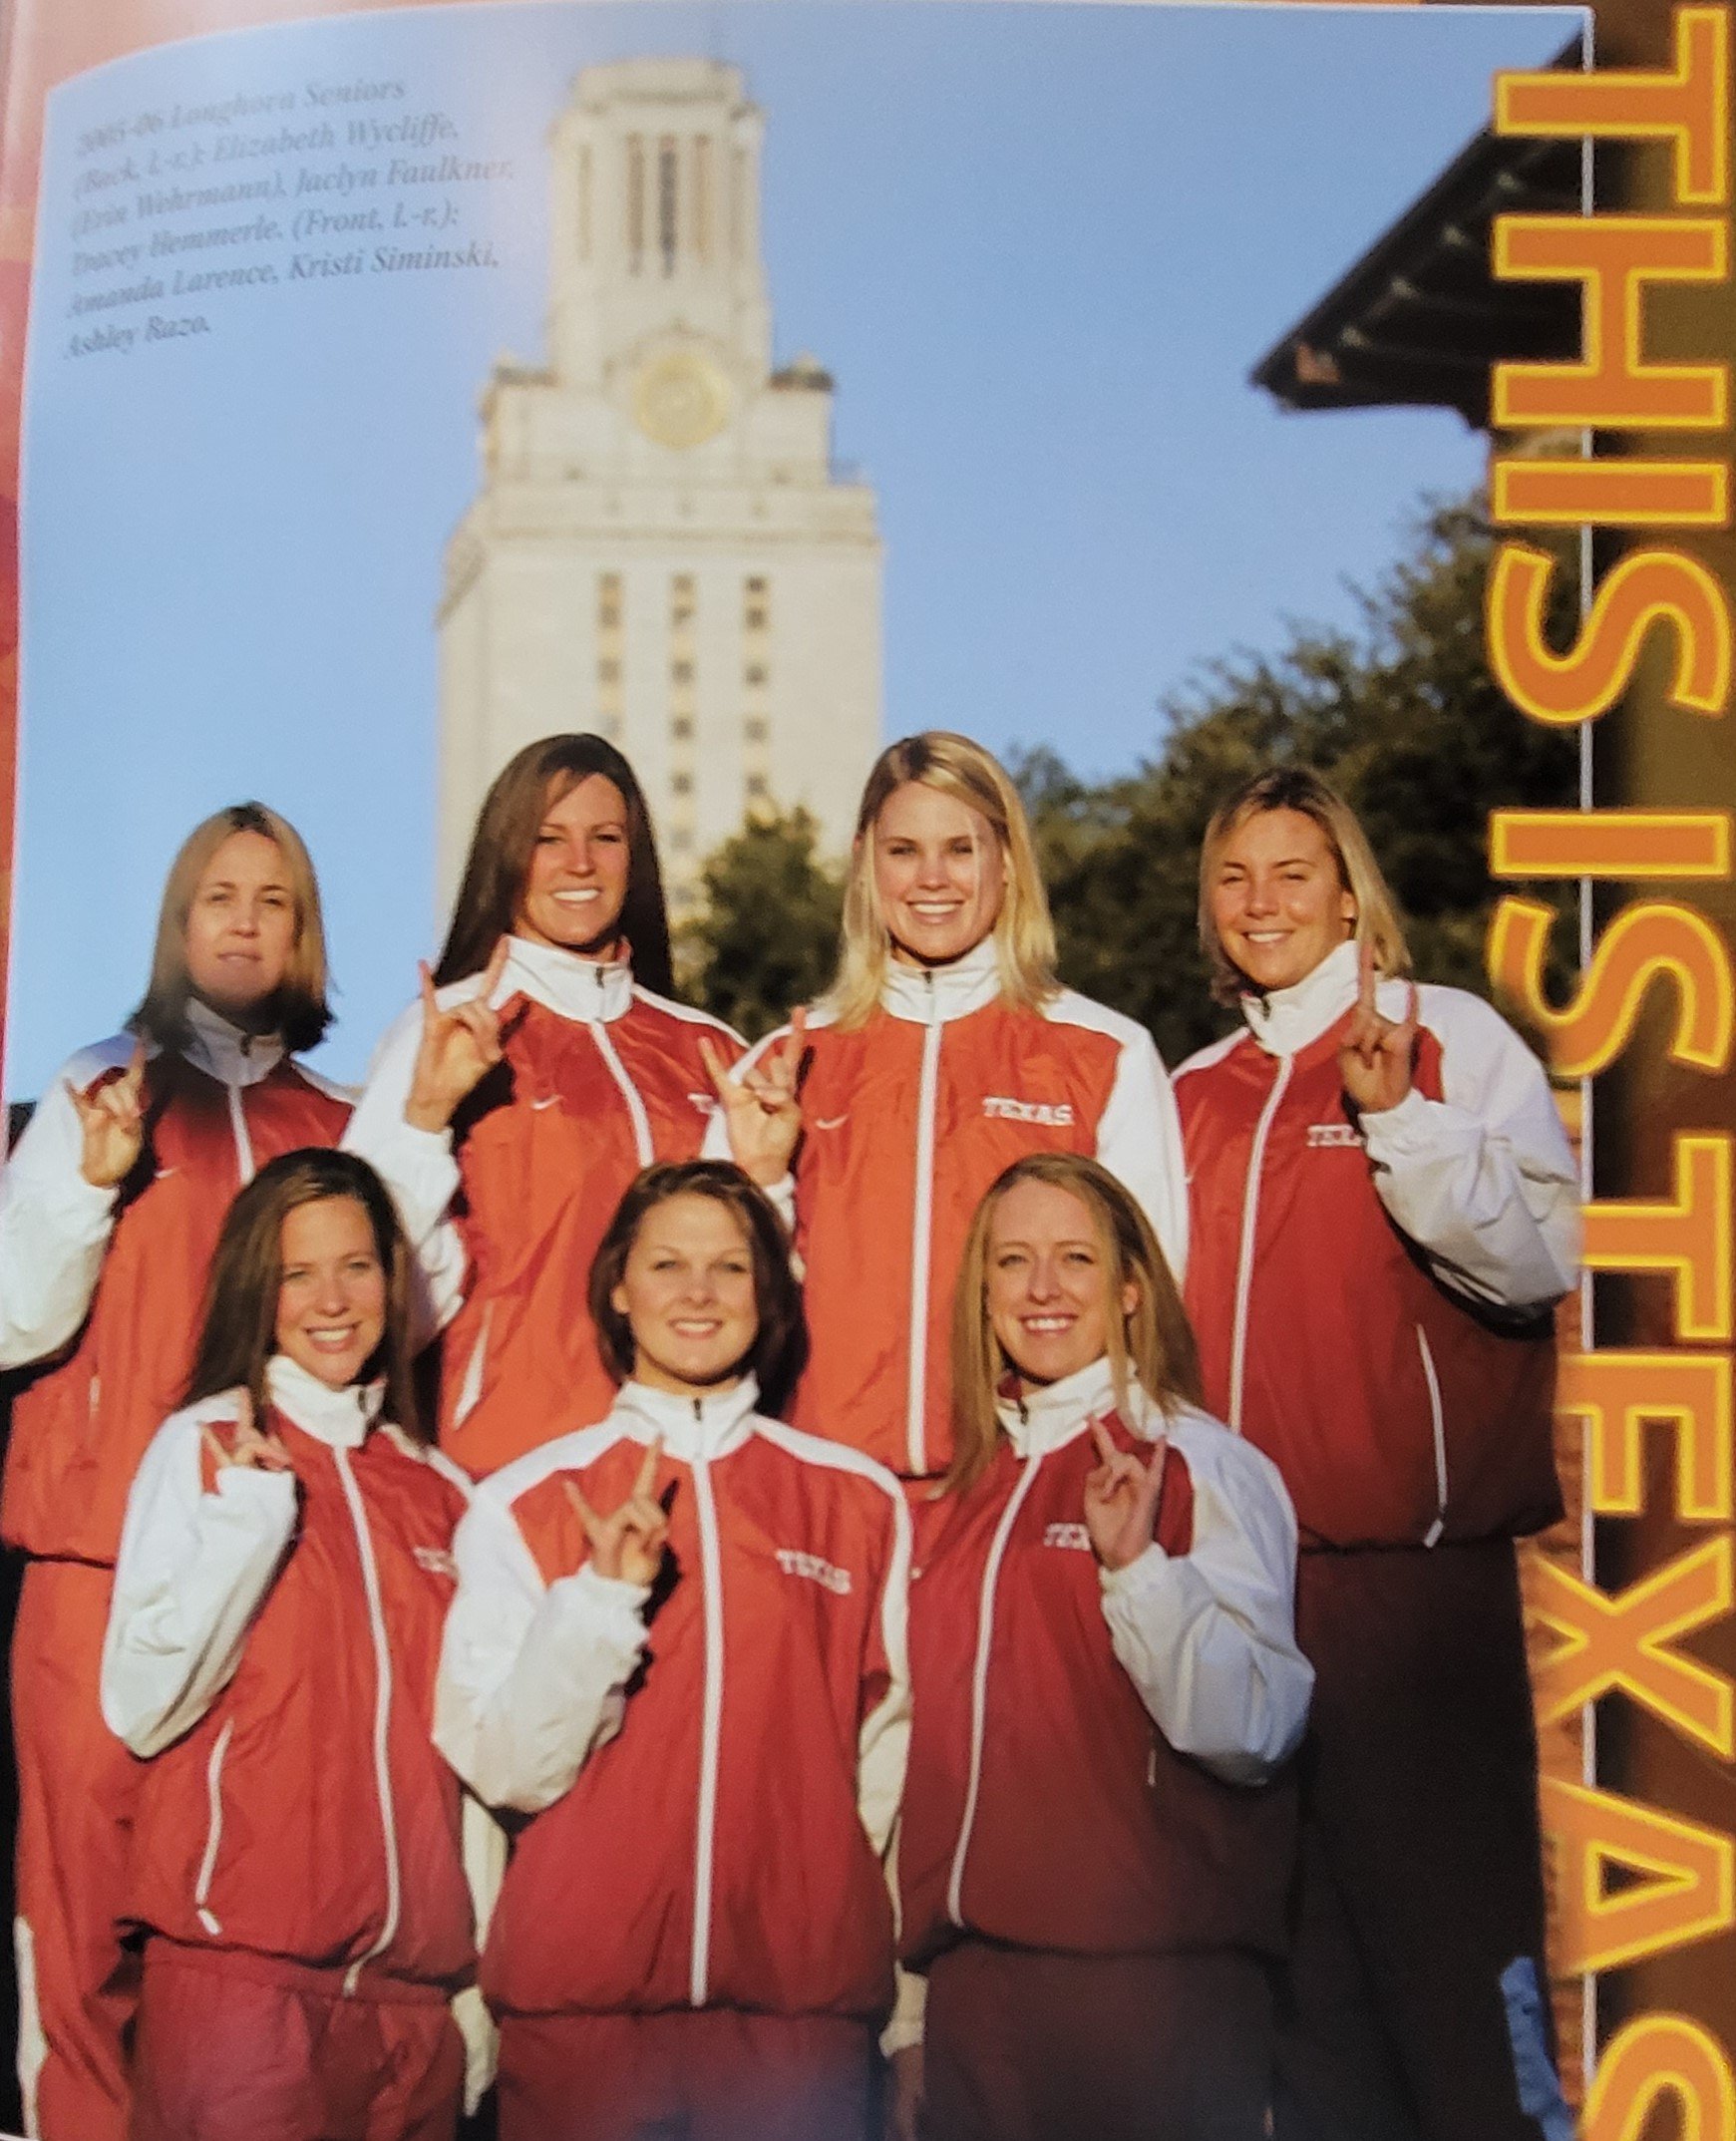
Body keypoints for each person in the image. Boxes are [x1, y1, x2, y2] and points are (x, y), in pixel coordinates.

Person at [1173, 766, 1578, 2141]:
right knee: (1307, 1995)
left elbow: (1537, 1260)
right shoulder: (1189, 1090)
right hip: (1248, 1595)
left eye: (1292, 872)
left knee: (1457, 1987)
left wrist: (1400, 1121)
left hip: (1413, 1596)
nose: (1261, 902)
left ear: (1349, 890)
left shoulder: (1447, 1035)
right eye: (1235, 877)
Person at [0, 801, 352, 2141]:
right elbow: (11, 1314)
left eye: (274, 898)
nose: (246, 920)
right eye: (220, 894)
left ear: (305, 930)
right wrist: (89, 1185)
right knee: (85, 1931)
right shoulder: (107, 1080)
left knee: (241, 1926)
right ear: (178, 919)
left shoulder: (347, 1116)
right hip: (95, 1560)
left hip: (275, 1562)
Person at [435, 1159, 911, 2141]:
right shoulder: (523, 1499)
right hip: (584, 2026)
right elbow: (506, 1767)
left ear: (768, 1290)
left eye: (730, 1267)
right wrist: (599, 1600)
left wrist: (905, 2011)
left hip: (797, 2022)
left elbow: (895, 1770)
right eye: (666, 1263)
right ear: (618, 1285)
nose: (696, 1292)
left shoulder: (856, 1499)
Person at [896, 1151, 1311, 2141]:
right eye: (1012, 1260)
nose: (1041, 1289)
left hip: (1149, 1995)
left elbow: (1255, 1726)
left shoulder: (1202, 1463)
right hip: (973, 1996)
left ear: (1130, 1288)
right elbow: (916, 1758)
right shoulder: (955, 1502)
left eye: (1074, 1258)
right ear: (981, 1287)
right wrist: (908, 2018)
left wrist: (1138, 1573)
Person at [100, 1147, 475, 2141]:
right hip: (243, 1996)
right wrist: (253, 1518)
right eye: (297, 1272)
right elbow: (141, 1702)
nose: (332, 1299)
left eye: (356, 1264)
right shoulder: (211, 1443)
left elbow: (470, 1762)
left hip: (416, 2011)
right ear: (254, 1289)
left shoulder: (437, 1485)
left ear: (394, 1280)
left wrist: (473, 1989)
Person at [710, 731, 1188, 1483]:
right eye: (903, 851)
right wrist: (763, 1179)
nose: (932, 878)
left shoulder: (1105, 1053)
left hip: (1021, 1494)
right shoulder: (781, 1067)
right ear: (867, 859)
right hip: (828, 1497)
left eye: (960, 849)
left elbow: (1149, 1307)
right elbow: (719, 1302)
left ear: (1006, 860)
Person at [345, 734, 750, 1478]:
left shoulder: (709, 1048)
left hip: (690, 1466)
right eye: (547, 839)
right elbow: (362, 1267)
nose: (580, 864)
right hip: (507, 1458)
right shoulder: (451, 1027)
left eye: (605, 838)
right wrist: (424, 1115)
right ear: (507, 855)